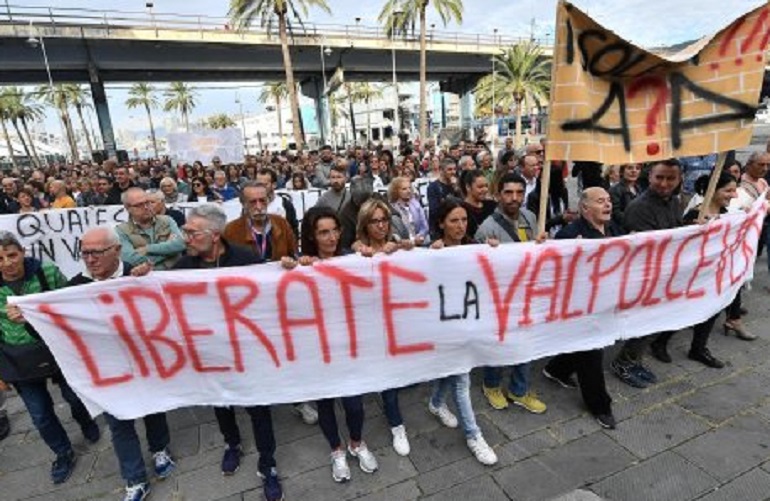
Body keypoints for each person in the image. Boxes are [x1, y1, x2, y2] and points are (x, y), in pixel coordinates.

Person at [174, 204, 283, 500]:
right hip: (210, 354)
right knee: (220, 403)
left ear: (214, 234)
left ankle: (268, 462)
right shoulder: (182, 269)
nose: (186, 238)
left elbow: (268, 297)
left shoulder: (246, 260)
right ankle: (231, 443)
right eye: (185, 232)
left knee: (259, 409)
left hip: (248, 352)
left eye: (192, 233)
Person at [69, 227, 174, 501]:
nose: (90, 259)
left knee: (153, 408)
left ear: (116, 250)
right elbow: (56, 330)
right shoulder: (73, 287)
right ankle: (135, 479)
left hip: (145, 361)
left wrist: (148, 280)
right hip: (107, 370)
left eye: (97, 252)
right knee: (118, 423)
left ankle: (159, 448)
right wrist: (29, 320)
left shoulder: (138, 275)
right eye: (85, 253)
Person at [281, 207, 379, 483]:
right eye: (323, 232)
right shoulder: (303, 266)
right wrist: (290, 269)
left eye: (335, 230)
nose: (331, 237)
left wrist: (370, 259)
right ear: (312, 236)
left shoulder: (352, 258)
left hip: (350, 348)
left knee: (355, 405)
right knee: (325, 404)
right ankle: (336, 450)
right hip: (318, 351)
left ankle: (356, 443)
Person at [0, 231, 100, 484]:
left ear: (22, 252)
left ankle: (85, 420)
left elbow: (68, 303)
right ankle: (63, 453)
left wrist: (37, 313)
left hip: (55, 348)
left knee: (74, 398)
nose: (7, 263)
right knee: (40, 414)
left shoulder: (46, 271)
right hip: (17, 357)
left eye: (12, 255)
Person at [427, 199, 499, 465]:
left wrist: (494, 252)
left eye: (464, 220)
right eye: (453, 220)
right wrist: (429, 254)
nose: (460, 226)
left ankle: (435, 402)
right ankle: (473, 435)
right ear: (441, 223)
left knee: (453, 371)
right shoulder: (432, 250)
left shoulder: (473, 248)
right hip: (444, 327)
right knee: (461, 379)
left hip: (468, 323)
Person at [544, 187, 618, 429]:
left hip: (605, 300)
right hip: (581, 307)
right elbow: (553, 271)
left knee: (588, 346)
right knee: (592, 350)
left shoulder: (614, 228)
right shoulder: (570, 234)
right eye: (600, 201)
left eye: (608, 200)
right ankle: (599, 404)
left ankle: (557, 369)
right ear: (585, 208)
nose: (607, 205)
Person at [653, 173, 744, 368]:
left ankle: (698, 348)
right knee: (684, 311)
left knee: (712, 310)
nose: (733, 195)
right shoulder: (695, 215)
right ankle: (660, 342)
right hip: (693, 276)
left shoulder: (728, 214)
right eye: (728, 190)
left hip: (715, 273)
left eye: (734, 190)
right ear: (713, 190)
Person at [475, 173, 546, 414]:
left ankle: (519, 389)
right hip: (500, 300)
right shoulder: (487, 228)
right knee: (499, 344)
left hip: (527, 295)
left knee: (526, 343)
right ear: (498, 195)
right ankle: (491, 385)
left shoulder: (532, 217)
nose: (514, 198)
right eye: (508, 192)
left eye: (519, 192)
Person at [612, 159, 684, 388]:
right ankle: (623, 362)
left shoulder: (675, 202)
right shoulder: (639, 207)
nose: (664, 183)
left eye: (670, 178)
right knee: (644, 323)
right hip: (645, 277)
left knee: (656, 323)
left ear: (679, 179)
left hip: (666, 274)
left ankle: (634, 359)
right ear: (649, 176)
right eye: (659, 177)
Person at [351, 199, 414, 456]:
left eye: (384, 220)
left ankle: (397, 425)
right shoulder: (356, 252)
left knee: (390, 377)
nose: (381, 226)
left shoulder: (396, 244)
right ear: (365, 225)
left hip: (394, 322)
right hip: (367, 325)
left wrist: (404, 248)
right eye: (374, 221)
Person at [115, 187, 186, 271]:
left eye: (147, 202)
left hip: (175, 275)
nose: (146, 207)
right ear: (128, 208)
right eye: (139, 205)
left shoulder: (167, 221)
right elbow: (131, 260)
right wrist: (170, 251)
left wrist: (148, 249)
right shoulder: (121, 231)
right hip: (145, 279)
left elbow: (180, 244)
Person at [526, 164, 576, 236]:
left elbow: (565, 210)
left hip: (563, 234)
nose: (541, 181)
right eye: (541, 178)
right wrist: (560, 219)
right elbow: (535, 223)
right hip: (546, 235)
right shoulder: (534, 197)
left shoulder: (563, 192)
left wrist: (569, 215)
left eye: (545, 178)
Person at [256, 168, 299, 239]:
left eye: (265, 185)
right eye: (258, 185)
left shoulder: (285, 204)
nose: (261, 188)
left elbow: (293, 229)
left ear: (274, 185)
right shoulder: (250, 206)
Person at [388, 176, 428, 244]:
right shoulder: (392, 208)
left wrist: (420, 236)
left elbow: (424, 226)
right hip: (402, 245)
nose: (408, 191)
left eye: (409, 188)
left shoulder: (416, 204)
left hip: (420, 242)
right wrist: (412, 241)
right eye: (404, 189)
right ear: (396, 191)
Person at [427, 158, 459, 237]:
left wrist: (457, 190)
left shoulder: (456, 186)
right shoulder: (433, 187)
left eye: (455, 169)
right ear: (441, 170)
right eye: (449, 169)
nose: (453, 172)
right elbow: (433, 210)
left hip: (455, 226)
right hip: (439, 229)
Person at [460, 170, 496, 239]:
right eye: (480, 187)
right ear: (468, 187)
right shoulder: (461, 209)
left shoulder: (492, 205)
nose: (485, 189)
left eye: (486, 186)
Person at [609, 163, 642, 229]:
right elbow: (616, 213)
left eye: (637, 168)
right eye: (630, 168)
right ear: (622, 171)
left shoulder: (639, 188)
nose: (634, 171)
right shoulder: (615, 190)